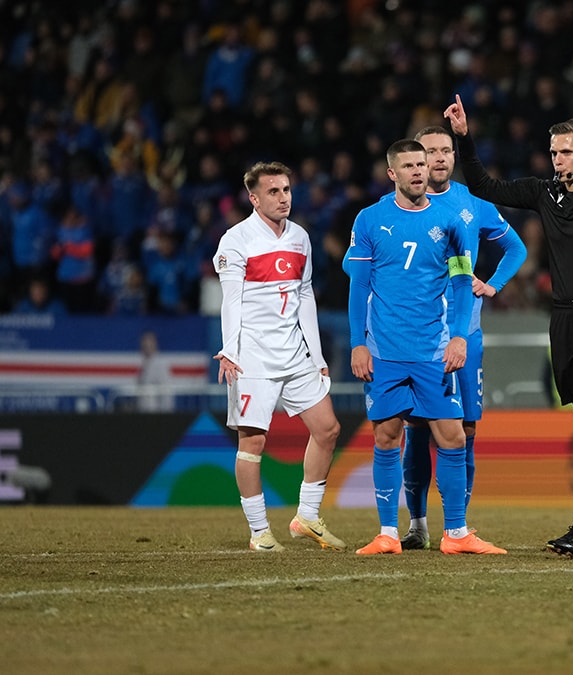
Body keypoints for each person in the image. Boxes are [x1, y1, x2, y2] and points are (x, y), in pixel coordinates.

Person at [444, 91, 573, 558]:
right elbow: (485, 187)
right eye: (554, 152)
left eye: (566, 151)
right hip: (565, 321)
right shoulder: (545, 194)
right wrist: (465, 140)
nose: (558, 159)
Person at [343, 139, 505, 556]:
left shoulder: (451, 221)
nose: (419, 170)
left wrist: (456, 336)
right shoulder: (369, 220)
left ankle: (456, 533)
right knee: (386, 436)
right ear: (391, 174)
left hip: (433, 349)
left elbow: (460, 283)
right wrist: (358, 344)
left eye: (422, 163)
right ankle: (387, 534)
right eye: (409, 165)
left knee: (452, 437)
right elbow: (358, 286)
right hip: (385, 350)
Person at [397, 126, 528, 551]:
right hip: (417, 337)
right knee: (417, 427)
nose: (438, 158)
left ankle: (459, 524)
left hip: (465, 335)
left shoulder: (474, 204)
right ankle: (417, 523)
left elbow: (517, 249)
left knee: (466, 428)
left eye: (446, 150)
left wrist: (492, 284)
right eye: (429, 151)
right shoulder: (398, 207)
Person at [212, 161, 344, 552]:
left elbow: (304, 296)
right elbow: (230, 302)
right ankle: (259, 532)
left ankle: (307, 516)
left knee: (328, 429)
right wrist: (229, 351)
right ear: (254, 198)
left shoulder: (300, 237)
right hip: (252, 357)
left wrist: (316, 354)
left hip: (294, 354)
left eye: (286, 190)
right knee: (252, 444)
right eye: (273, 191)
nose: (283, 197)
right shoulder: (235, 241)